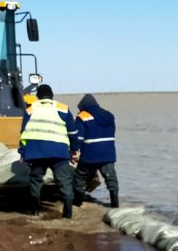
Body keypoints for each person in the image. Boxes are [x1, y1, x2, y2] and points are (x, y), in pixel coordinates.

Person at [19, 83, 78, 218]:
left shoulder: (30, 110)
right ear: (52, 96)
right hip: (59, 153)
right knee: (65, 184)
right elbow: (73, 132)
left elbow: (24, 134)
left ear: (37, 97)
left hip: (37, 153)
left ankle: (34, 212)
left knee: (35, 182)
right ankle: (67, 216)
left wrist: (23, 153)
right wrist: (74, 150)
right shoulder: (63, 109)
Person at [72, 93, 119, 209]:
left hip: (90, 154)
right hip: (108, 154)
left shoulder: (82, 116)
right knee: (111, 179)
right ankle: (115, 205)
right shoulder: (109, 116)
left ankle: (77, 203)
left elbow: (79, 138)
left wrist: (73, 150)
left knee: (80, 178)